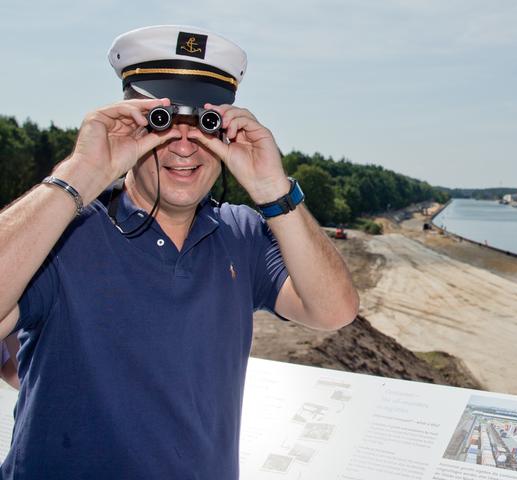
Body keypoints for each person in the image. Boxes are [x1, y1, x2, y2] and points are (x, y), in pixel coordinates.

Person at [0, 25, 358, 478]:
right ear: (132, 123)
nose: (185, 146)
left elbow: (335, 310)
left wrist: (274, 190)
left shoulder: (239, 234)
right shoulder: (63, 233)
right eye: (163, 123)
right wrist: (79, 175)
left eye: (205, 126)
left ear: (225, 133)